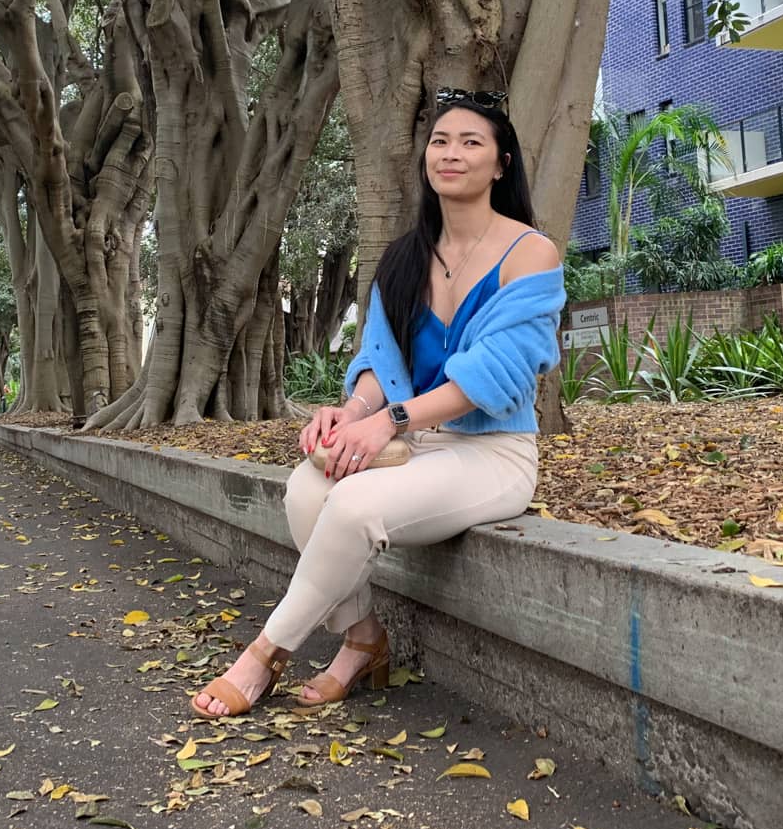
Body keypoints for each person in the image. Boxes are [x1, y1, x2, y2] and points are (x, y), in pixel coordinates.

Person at [192, 90, 565, 719]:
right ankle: (364, 640)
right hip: (417, 446)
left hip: (492, 452)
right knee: (308, 488)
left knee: (354, 503)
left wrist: (389, 421)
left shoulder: (530, 252)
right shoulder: (404, 258)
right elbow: (379, 365)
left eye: (471, 142)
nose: (451, 154)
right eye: (440, 141)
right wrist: (352, 412)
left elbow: (496, 376)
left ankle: (264, 653)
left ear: (502, 164)